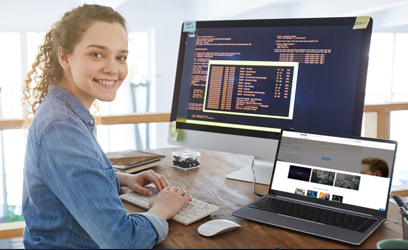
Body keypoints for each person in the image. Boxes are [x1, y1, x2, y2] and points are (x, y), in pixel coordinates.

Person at [21, 4, 191, 249]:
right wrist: (161, 209)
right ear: (64, 57)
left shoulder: (63, 111)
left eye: (121, 57)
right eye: (97, 54)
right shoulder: (61, 127)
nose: (113, 68)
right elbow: (122, 240)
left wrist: (120, 178)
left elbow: (69, 181)